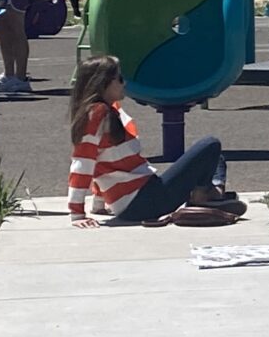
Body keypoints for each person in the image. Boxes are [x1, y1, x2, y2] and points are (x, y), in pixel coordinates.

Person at [66, 54, 239, 226]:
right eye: (119, 78)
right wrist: (77, 214)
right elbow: (83, 163)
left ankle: (209, 193)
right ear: (102, 83)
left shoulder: (108, 112)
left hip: (139, 199)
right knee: (210, 145)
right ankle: (207, 195)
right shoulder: (97, 113)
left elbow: (101, 162)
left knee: (215, 158)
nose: (124, 83)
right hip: (144, 200)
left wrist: (99, 204)